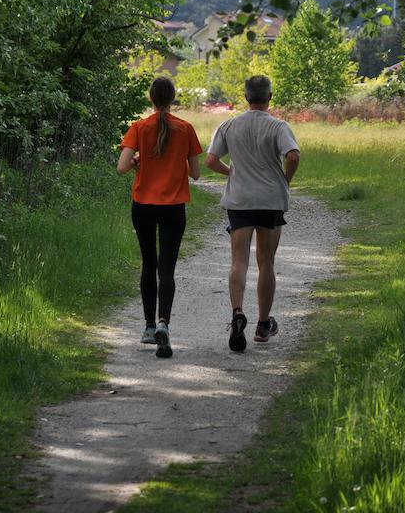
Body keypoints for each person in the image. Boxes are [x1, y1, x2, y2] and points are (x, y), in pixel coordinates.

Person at [205, 75, 300, 352]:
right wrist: (285, 180)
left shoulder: (229, 125)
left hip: (240, 200)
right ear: (270, 97)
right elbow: (293, 155)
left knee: (239, 261)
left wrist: (231, 171)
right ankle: (262, 324)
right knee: (266, 262)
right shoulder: (278, 126)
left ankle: (237, 312)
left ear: (246, 97)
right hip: (270, 199)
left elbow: (210, 159)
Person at [117, 77, 202, 358]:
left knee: (148, 263)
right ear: (173, 98)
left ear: (151, 99)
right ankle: (164, 321)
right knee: (166, 268)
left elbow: (121, 167)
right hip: (173, 206)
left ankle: (149, 327)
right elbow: (196, 173)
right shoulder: (185, 128)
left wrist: (139, 162)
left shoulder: (139, 128)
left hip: (143, 205)